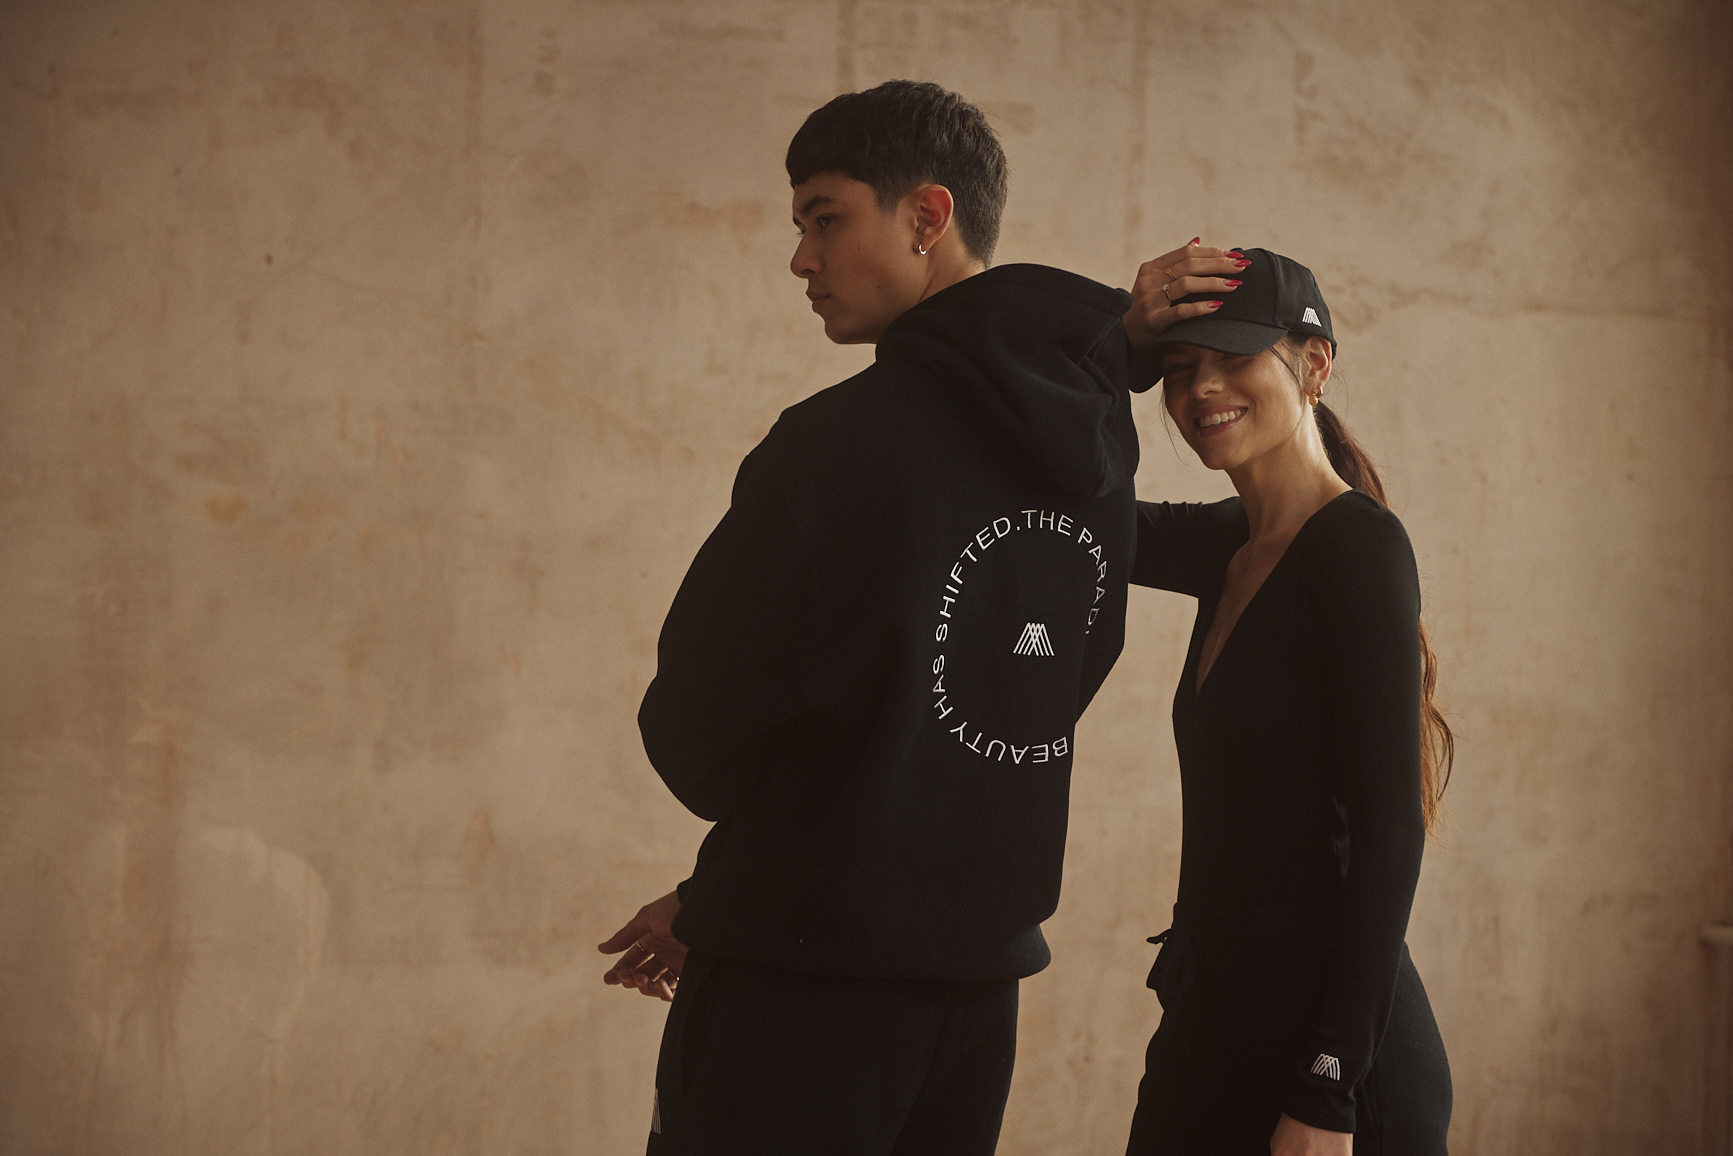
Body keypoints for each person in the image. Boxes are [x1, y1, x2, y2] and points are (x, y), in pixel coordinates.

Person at [596, 80, 1243, 1154]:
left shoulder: (830, 448)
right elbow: (1023, 701)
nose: (800, 259)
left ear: (927, 216)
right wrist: (714, 892)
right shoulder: (1094, 456)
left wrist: (752, 884)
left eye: (824, 218)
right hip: (975, 998)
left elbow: (697, 730)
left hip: (794, 999)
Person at [1117, 250, 1454, 1155]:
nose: (1200, 389)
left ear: (1314, 365)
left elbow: (1390, 836)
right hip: (1208, 1029)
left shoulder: (1356, 548)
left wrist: (1328, 1087)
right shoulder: (1223, 541)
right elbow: (1070, 500)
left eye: (1232, 357)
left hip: (1328, 1063)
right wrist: (1118, 343)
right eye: (1178, 369)